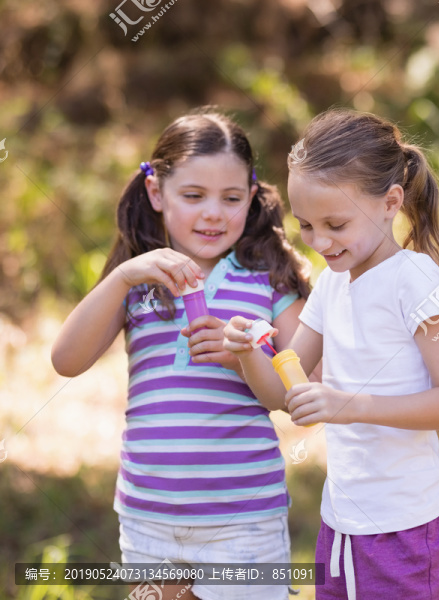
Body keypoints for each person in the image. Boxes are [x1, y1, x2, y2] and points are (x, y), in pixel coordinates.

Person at [51, 109, 311, 600]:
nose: (213, 213)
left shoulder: (270, 281)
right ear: (156, 192)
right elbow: (67, 359)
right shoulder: (136, 281)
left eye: (231, 198)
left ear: (251, 197)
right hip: (149, 515)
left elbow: (296, 397)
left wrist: (245, 356)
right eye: (193, 196)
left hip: (242, 518)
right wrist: (124, 275)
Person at [223, 109, 439, 600]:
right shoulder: (332, 286)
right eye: (307, 226)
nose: (320, 242)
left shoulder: (413, 279)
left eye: (335, 224)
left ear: (390, 202)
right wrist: (249, 351)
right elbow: (283, 394)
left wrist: (351, 405)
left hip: (407, 532)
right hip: (339, 527)